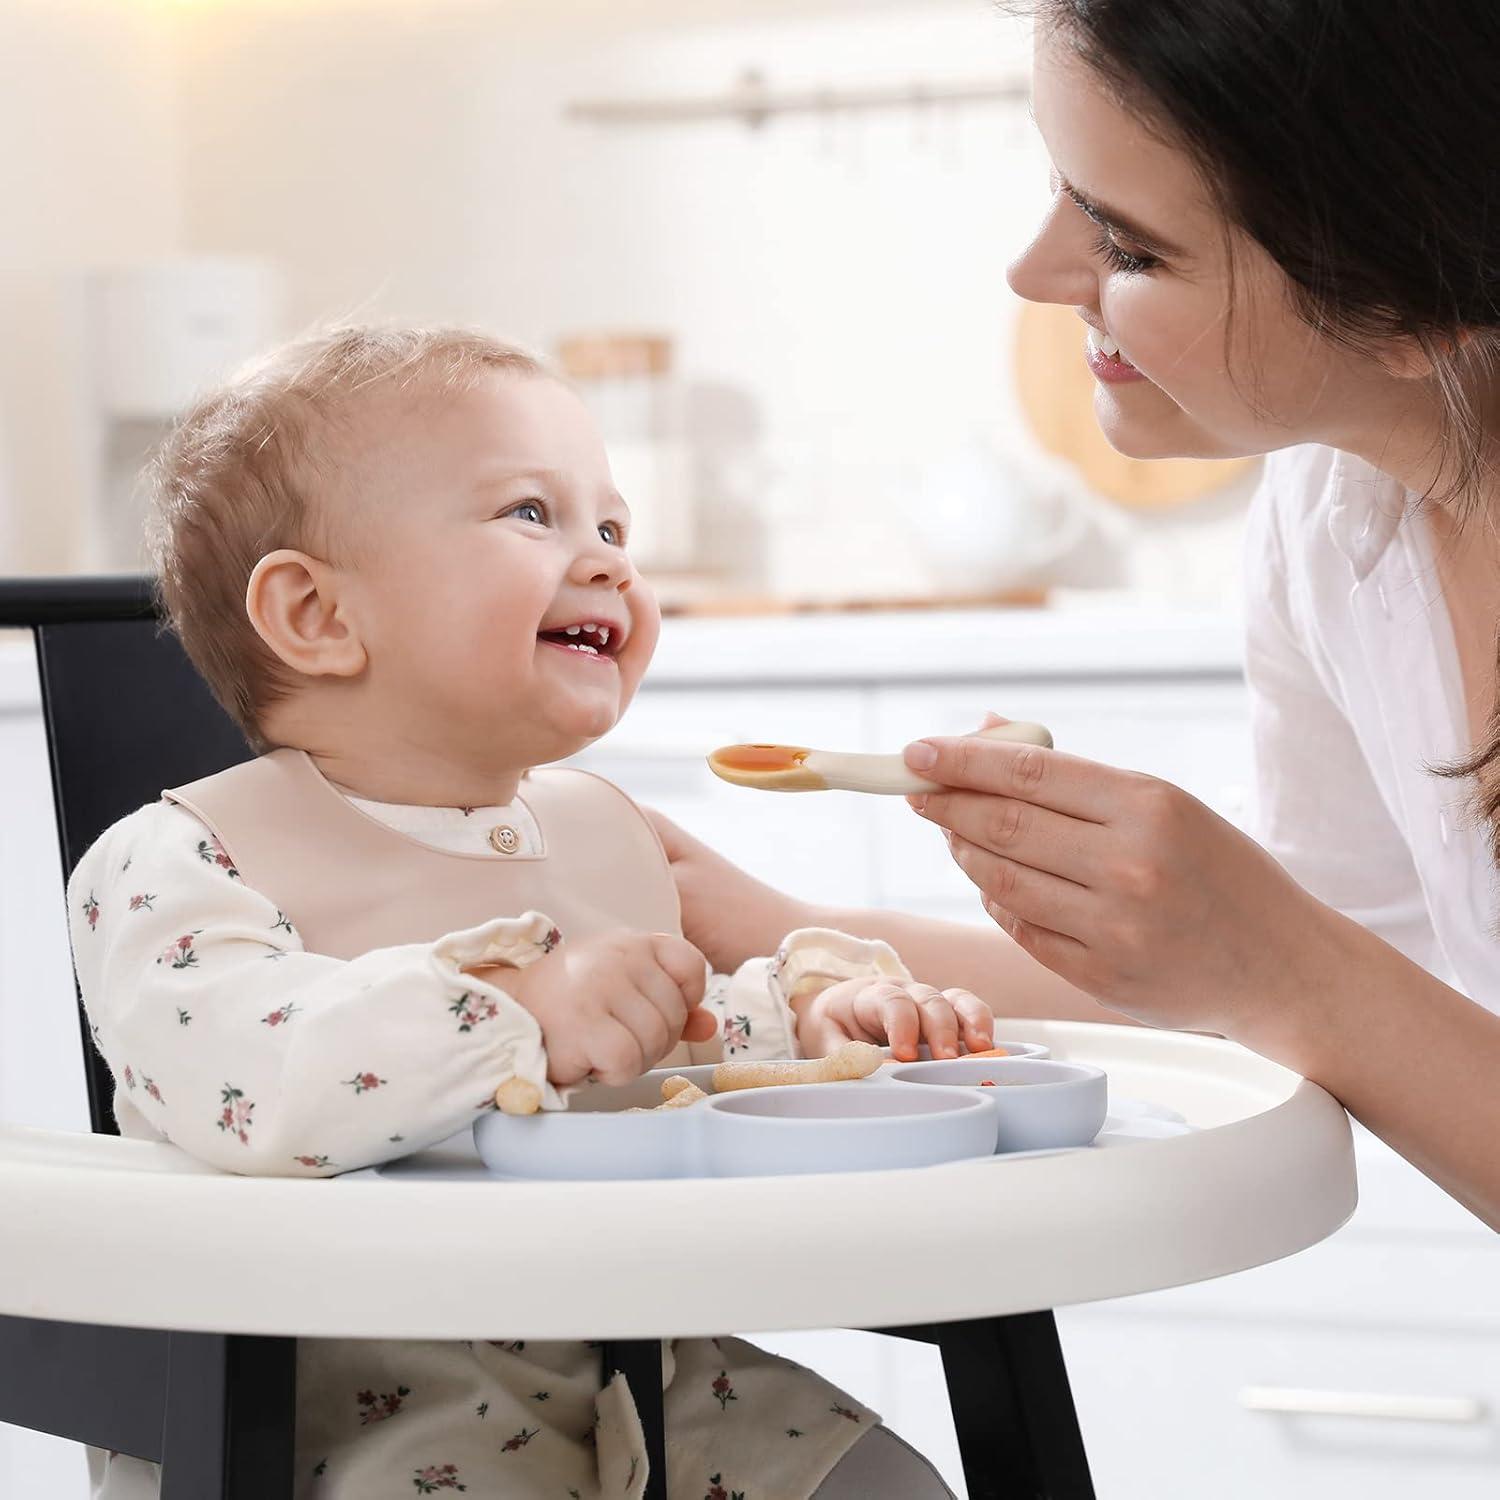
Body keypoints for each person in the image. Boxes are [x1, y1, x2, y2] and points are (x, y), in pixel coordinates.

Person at [67, 326, 979, 1499]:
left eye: (612, 527)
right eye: (530, 515)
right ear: (318, 615)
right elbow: (261, 1076)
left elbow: (671, 1043)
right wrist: (512, 1015)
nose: (606, 562)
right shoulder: (180, 861)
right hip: (338, 1410)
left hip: (650, 1369)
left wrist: (823, 1024)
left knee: (884, 1485)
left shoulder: (600, 830)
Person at [651, 0, 1500, 1233]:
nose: (1035, 272)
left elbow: (1323, 984)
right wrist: (777, 930)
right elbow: (1372, 1001)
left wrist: (1278, 952)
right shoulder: (1334, 509)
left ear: (1418, 305)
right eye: (1063, 189)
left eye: (1129, 245)